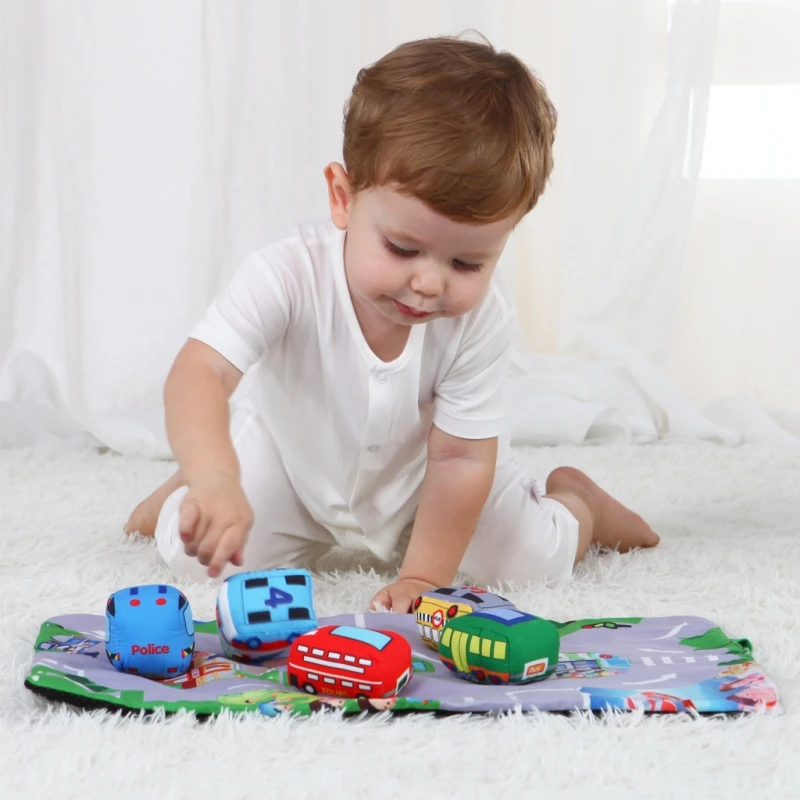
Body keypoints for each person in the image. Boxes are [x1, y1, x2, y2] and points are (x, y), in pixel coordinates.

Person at [125, 34, 659, 613]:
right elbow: (199, 372)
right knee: (201, 556)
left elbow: (459, 459)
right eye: (403, 249)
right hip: (292, 464)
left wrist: (425, 577)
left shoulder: (482, 317)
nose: (429, 283)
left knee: (531, 561)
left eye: (466, 263)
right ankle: (188, 482)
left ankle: (581, 505)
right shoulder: (285, 275)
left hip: (427, 483)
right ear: (343, 198)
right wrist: (214, 478)